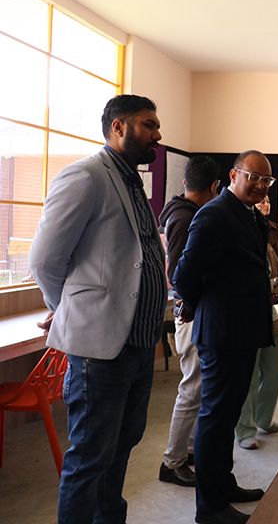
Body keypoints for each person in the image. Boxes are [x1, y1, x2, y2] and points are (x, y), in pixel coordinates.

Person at [29, 94, 166, 523]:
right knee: (90, 456)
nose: (157, 134)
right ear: (118, 127)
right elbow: (45, 260)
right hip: (100, 348)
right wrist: (68, 307)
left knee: (122, 445)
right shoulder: (86, 176)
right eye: (148, 124)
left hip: (138, 343)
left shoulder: (131, 181)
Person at [173, 150, 276, 524]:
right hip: (221, 333)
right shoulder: (214, 214)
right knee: (215, 418)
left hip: (244, 332)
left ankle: (223, 484)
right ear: (234, 175)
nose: (260, 186)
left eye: (266, 180)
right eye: (254, 177)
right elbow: (184, 275)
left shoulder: (250, 215)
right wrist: (197, 305)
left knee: (229, 414)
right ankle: (210, 507)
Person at [159, 156, 220, 488]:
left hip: (193, 311)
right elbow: (178, 274)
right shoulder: (185, 218)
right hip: (190, 314)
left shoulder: (180, 212)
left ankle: (190, 451)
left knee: (199, 387)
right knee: (192, 387)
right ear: (215, 186)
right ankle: (172, 461)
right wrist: (191, 306)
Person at [234, 240, 278, 449]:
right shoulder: (238, 245)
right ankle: (245, 430)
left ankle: (263, 419)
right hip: (247, 322)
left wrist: (276, 294)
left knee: (276, 371)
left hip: (272, 320)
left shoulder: (267, 247)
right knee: (249, 378)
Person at [256, 195, 278, 273]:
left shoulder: (275, 228)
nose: (267, 205)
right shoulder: (249, 226)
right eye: (262, 202)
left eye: (268, 202)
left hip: (275, 273)